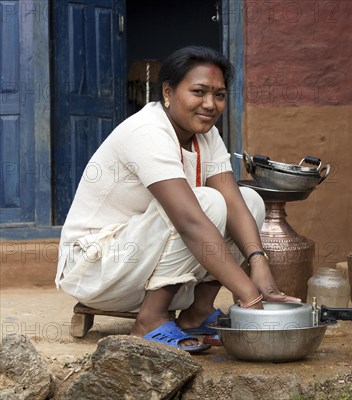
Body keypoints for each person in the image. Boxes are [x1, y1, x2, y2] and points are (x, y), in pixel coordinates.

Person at [55, 46, 300, 352]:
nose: (210, 104)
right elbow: (189, 222)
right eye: (198, 92)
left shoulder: (205, 135)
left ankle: (197, 313)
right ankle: (150, 320)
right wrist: (250, 296)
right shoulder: (147, 131)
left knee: (249, 200)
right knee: (203, 204)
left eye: (219, 95)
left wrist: (259, 263)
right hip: (97, 270)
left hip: (141, 266)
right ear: (168, 92)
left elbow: (235, 205)